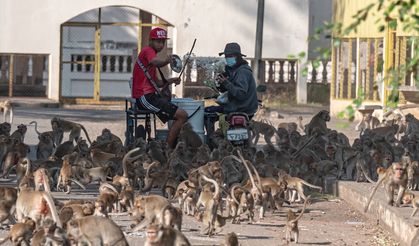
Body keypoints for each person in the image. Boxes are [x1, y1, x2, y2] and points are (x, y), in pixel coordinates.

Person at [132, 27, 188, 148]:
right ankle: (168, 149)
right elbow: (156, 61)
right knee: (182, 115)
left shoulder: (151, 56)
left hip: (151, 96)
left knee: (180, 115)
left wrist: (171, 81)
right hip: (145, 98)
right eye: (158, 41)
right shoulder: (148, 51)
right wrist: (167, 61)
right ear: (151, 41)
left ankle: (168, 145)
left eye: (163, 42)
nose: (161, 44)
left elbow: (157, 83)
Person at [205, 42, 259, 136]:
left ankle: (211, 138)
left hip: (241, 107)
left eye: (230, 56)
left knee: (207, 113)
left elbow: (240, 94)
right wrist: (221, 83)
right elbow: (228, 90)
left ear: (238, 56)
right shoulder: (234, 70)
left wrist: (226, 83)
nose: (227, 58)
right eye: (226, 56)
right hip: (238, 106)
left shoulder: (243, 72)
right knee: (210, 110)